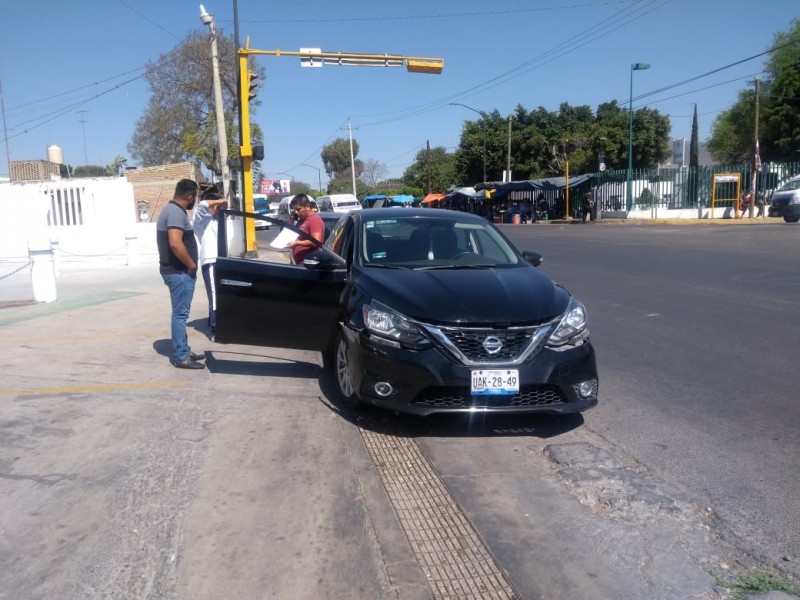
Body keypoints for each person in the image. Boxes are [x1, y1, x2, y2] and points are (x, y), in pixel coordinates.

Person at [156, 178, 205, 369]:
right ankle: (181, 356)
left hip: (176, 271)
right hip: (179, 272)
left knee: (180, 313)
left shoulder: (172, 210)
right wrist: (191, 264)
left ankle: (182, 348)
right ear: (190, 196)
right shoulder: (176, 213)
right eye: (195, 198)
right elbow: (175, 243)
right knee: (180, 315)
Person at [192, 189, 228, 342]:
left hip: (221, 260)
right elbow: (201, 205)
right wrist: (219, 201)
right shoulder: (202, 219)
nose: (219, 209)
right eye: (216, 206)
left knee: (223, 295)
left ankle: (220, 323)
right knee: (214, 295)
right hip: (210, 261)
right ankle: (214, 328)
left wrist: (221, 205)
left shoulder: (218, 219)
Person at [286, 194, 325, 265]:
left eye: (298, 209)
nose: (296, 212)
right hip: (299, 263)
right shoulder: (302, 220)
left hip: (309, 265)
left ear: (307, 206)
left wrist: (297, 243)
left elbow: (316, 241)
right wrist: (291, 222)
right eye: (294, 209)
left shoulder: (314, 220)